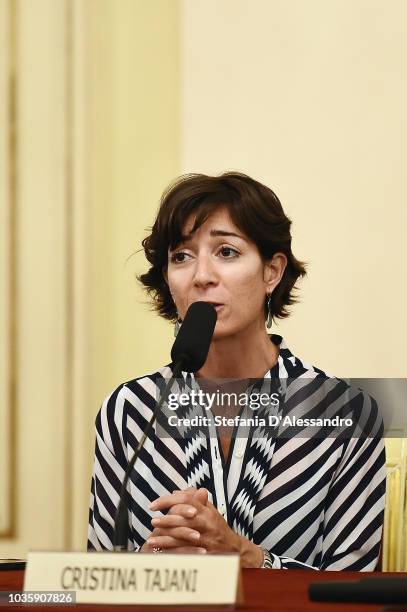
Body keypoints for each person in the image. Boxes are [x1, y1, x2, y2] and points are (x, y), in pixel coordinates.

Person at [88, 172, 386, 570]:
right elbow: (98, 582)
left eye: (226, 251)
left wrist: (246, 557)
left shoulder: (345, 413)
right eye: (181, 256)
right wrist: (146, 567)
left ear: (272, 272)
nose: (202, 276)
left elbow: (354, 591)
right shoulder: (129, 411)